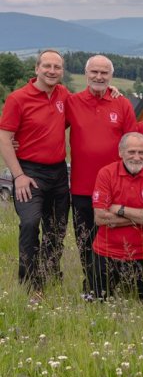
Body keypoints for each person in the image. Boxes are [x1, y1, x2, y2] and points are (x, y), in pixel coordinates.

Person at [0, 50, 70, 296]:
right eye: (47, 66)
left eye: (57, 67)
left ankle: (50, 274)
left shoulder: (64, 95)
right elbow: (4, 137)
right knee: (30, 223)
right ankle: (30, 282)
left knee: (57, 227)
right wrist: (18, 176)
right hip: (29, 172)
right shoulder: (18, 98)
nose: (52, 71)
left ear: (62, 71)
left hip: (59, 172)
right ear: (36, 68)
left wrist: (111, 90)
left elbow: (78, 114)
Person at [67, 55, 137, 298]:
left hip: (116, 188)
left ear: (111, 76)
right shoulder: (71, 102)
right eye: (94, 72)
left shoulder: (123, 104)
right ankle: (93, 287)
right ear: (86, 74)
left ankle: (115, 282)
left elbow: (133, 144)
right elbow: (49, 125)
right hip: (82, 187)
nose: (99, 77)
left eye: (104, 73)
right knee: (86, 240)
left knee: (114, 238)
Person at [91, 132, 143, 299]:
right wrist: (142, 215)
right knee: (98, 302)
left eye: (141, 152)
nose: (136, 157)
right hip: (107, 252)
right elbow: (100, 218)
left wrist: (120, 209)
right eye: (131, 152)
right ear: (120, 152)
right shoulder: (106, 173)